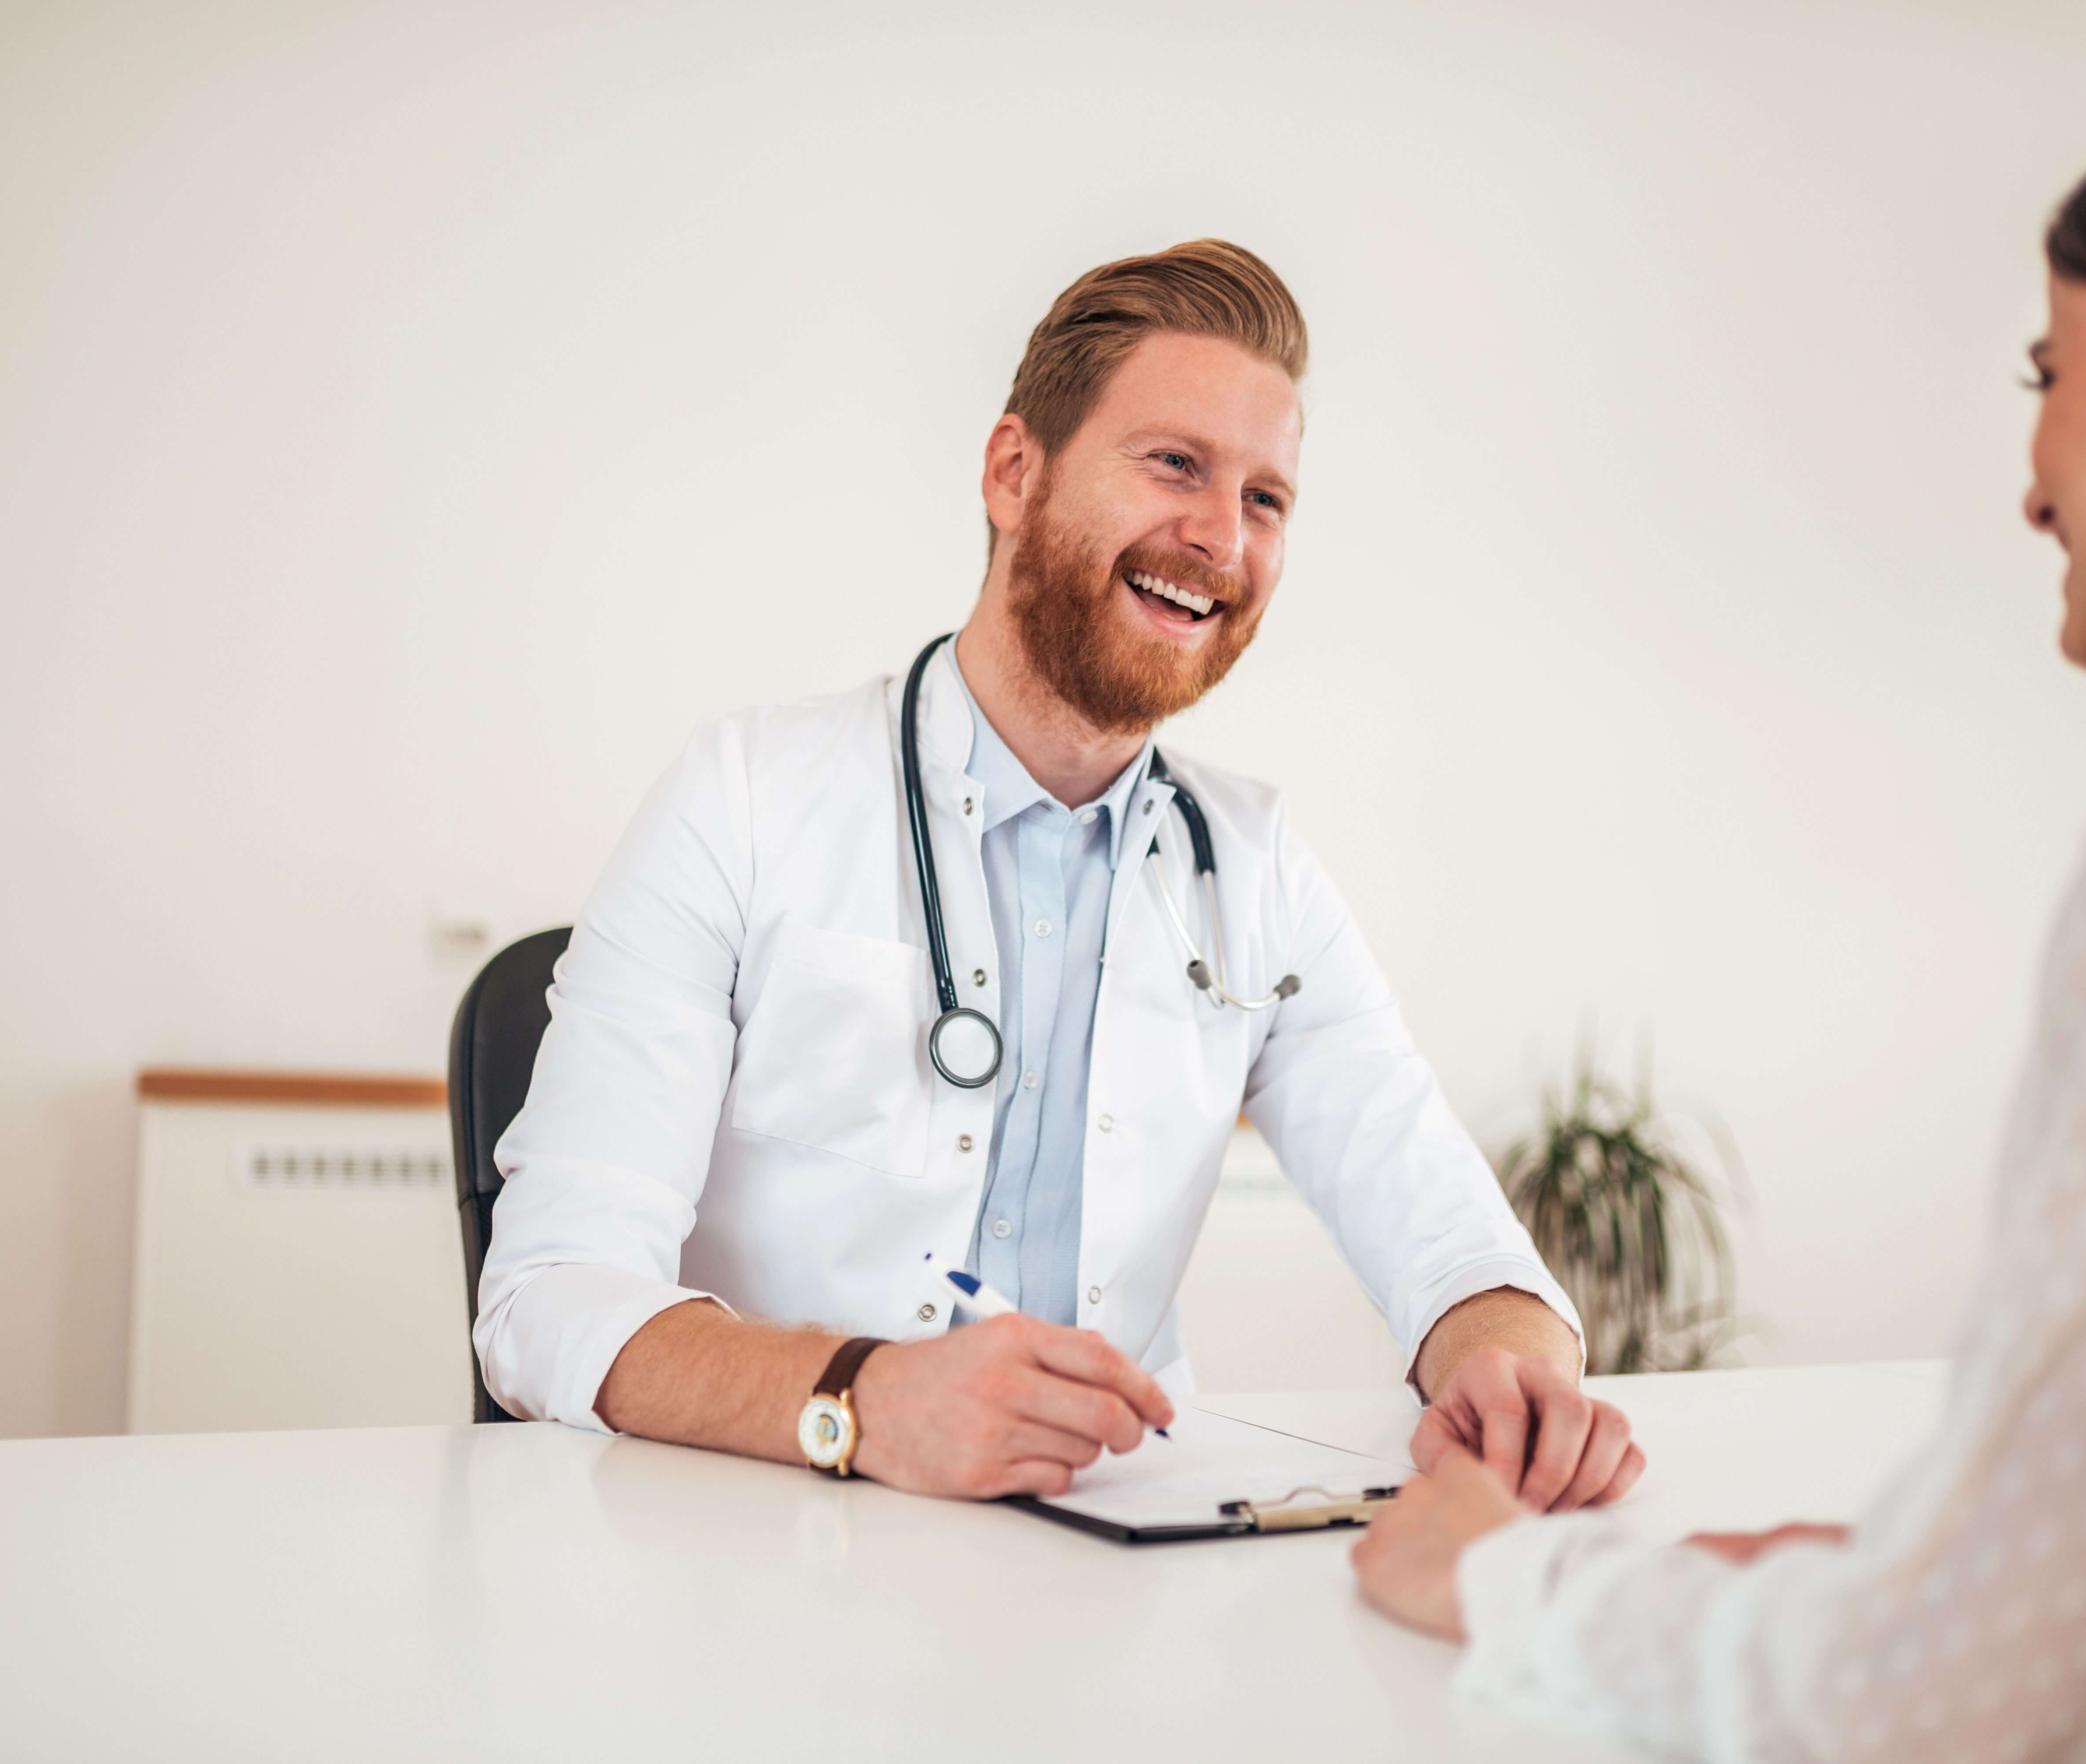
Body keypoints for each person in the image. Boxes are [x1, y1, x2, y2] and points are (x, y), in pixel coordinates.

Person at [1349, 47, 2086, 1763]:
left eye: (2049, 370)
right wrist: (1923, 1565)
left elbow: (1946, 1700)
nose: (2031, 480)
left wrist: (1513, 1580)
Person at [474, 240, 1646, 1508]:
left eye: (1266, 499)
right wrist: (868, 1402)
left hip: (1111, 1552)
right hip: (762, 1539)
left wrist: (1513, 1370)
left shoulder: (1255, 872)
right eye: (1175, 464)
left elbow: (1454, 1241)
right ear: (1013, 473)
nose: (1221, 538)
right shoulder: (745, 798)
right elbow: (549, 1297)